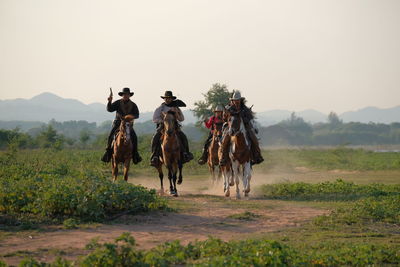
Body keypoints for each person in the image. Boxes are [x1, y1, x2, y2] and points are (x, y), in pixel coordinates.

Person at [219, 91, 264, 166]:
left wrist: (244, 120)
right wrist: (225, 116)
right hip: (231, 127)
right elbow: (224, 119)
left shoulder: (244, 108)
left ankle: (257, 155)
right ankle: (223, 157)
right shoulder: (228, 108)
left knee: (254, 138)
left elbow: (250, 118)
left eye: (237, 100)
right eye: (235, 100)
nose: (236, 101)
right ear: (232, 101)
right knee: (224, 140)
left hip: (245, 127)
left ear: (240, 100)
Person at [150, 90, 194, 166]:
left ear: (172, 99)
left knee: (183, 137)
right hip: (163, 127)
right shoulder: (160, 108)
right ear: (164, 99)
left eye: (169, 98)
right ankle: (155, 156)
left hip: (175, 128)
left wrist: (177, 113)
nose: (167, 99)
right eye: (166, 98)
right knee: (155, 138)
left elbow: (182, 119)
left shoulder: (176, 108)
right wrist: (163, 121)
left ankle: (186, 153)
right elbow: (154, 119)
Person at [101, 87, 142, 164]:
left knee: (134, 137)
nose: (126, 96)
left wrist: (131, 117)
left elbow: (137, 115)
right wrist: (109, 102)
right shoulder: (117, 103)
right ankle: (108, 152)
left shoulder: (133, 105)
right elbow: (109, 109)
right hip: (118, 124)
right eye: (124, 94)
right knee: (110, 136)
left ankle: (135, 154)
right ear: (122, 95)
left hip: (128, 125)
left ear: (130, 95)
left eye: (127, 94)